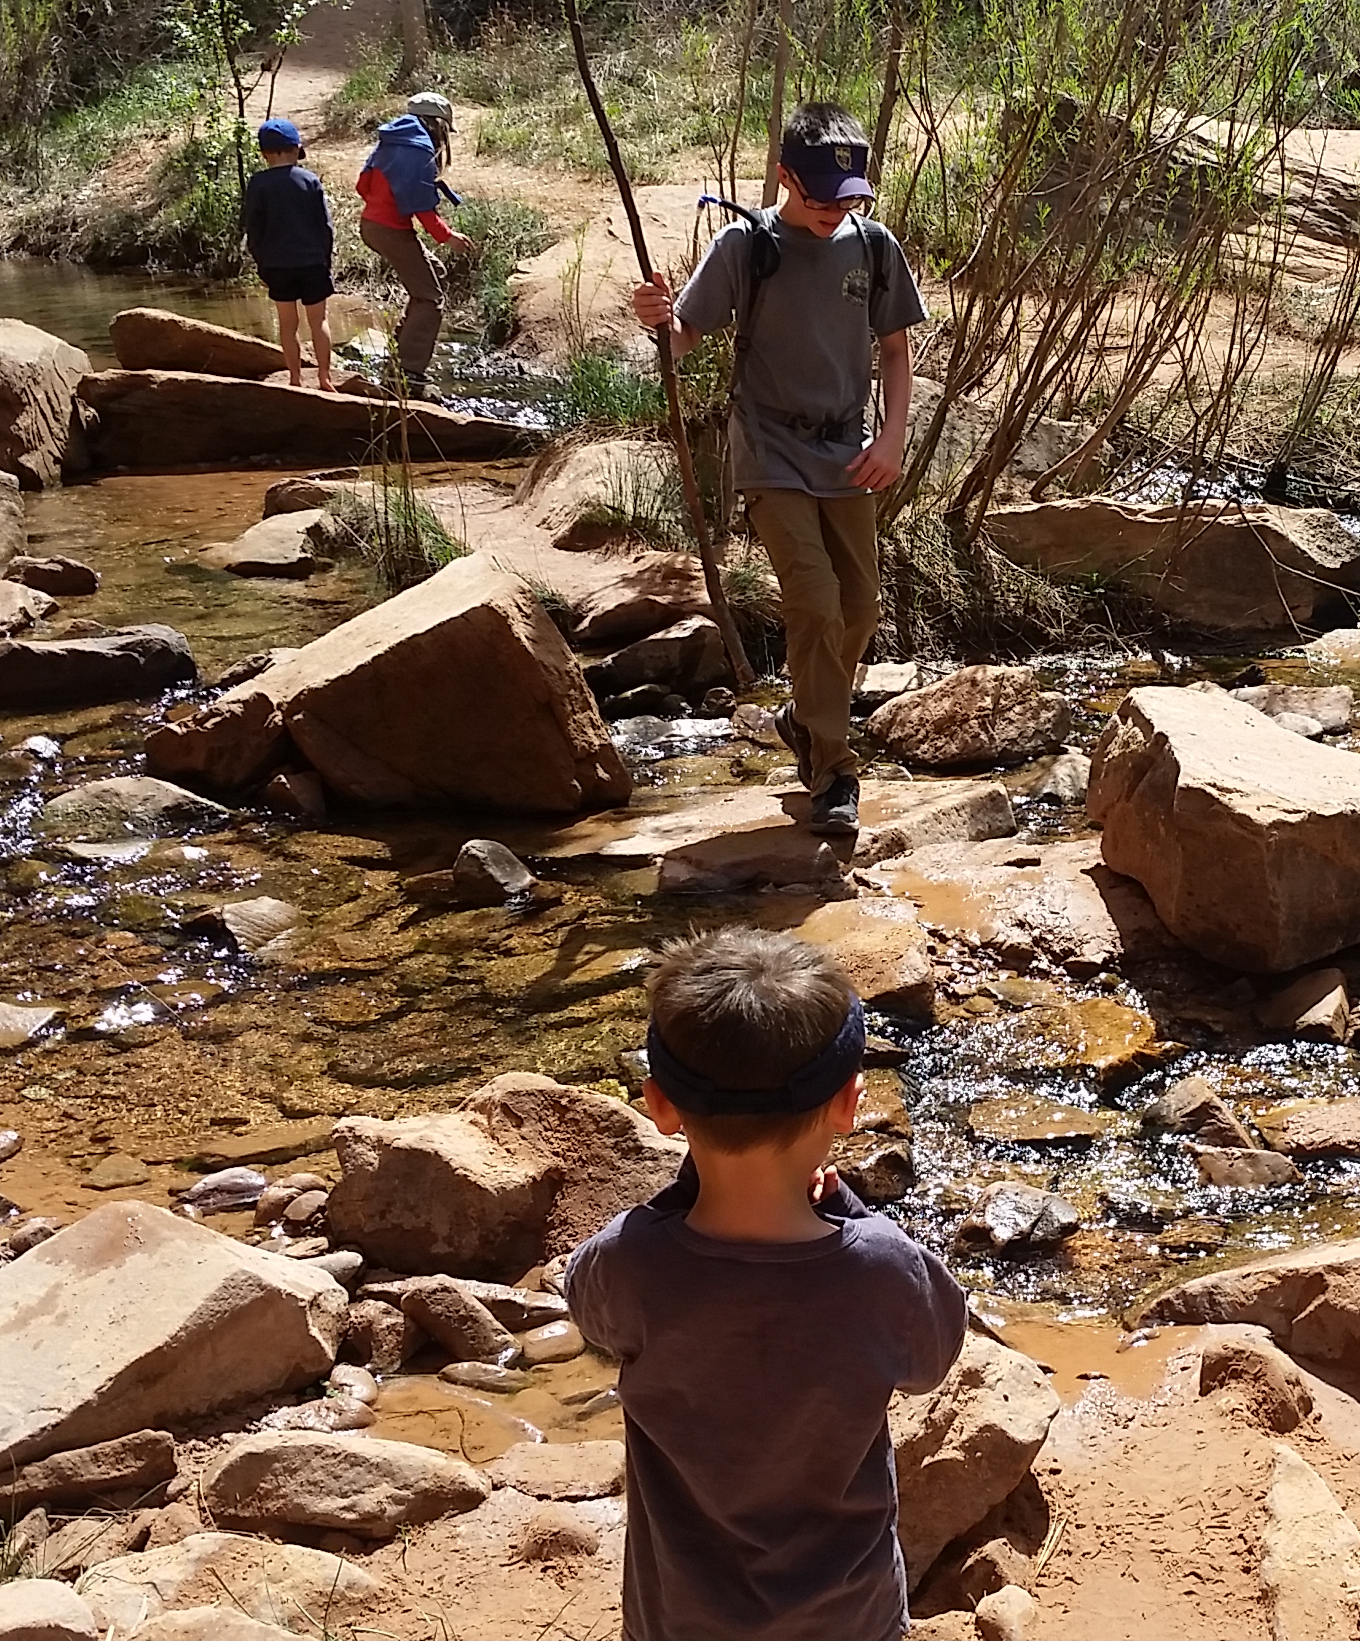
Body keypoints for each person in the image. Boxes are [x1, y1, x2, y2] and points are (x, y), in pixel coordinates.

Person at [567, 927, 967, 1641]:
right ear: (849, 1104)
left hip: (681, 1618)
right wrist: (850, 1212)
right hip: (849, 1617)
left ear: (659, 1106)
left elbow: (593, 1315)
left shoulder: (632, 1262)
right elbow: (930, 1359)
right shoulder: (883, 1266)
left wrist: (672, 1208)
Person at [629, 103, 926, 834]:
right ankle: (833, 771)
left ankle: (803, 714)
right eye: (820, 197)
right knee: (817, 602)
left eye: (847, 199)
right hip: (768, 449)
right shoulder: (746, 244)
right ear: (785, 177)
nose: (834, 212)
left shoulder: (874, 248)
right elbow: (683, 338)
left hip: (849, 449)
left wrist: (891, 439)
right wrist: (656, 319)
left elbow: (894, 349)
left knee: (861, 610)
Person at [358, 91, 474, 400]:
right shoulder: (419, 148)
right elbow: (422, 207)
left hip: (371, 225)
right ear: (438, 125)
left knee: (432, 273)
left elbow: (363, 184)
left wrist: (384, 206)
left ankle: (399, 357)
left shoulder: (391, 140)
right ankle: (407, 376)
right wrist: (447, 237)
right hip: (389, 230)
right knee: (430, 299)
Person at [242, 118, 337, 387]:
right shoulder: (310, 180)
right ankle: (325, 377)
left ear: (264, 154)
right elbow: (325, 226)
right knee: (319, 321)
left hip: (277, 265)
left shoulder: (258, 184)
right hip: (311, 262)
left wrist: (261, 263)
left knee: (287, 324)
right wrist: (324, 258)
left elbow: (255, 228)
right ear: (296, 149)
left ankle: (295, 378)